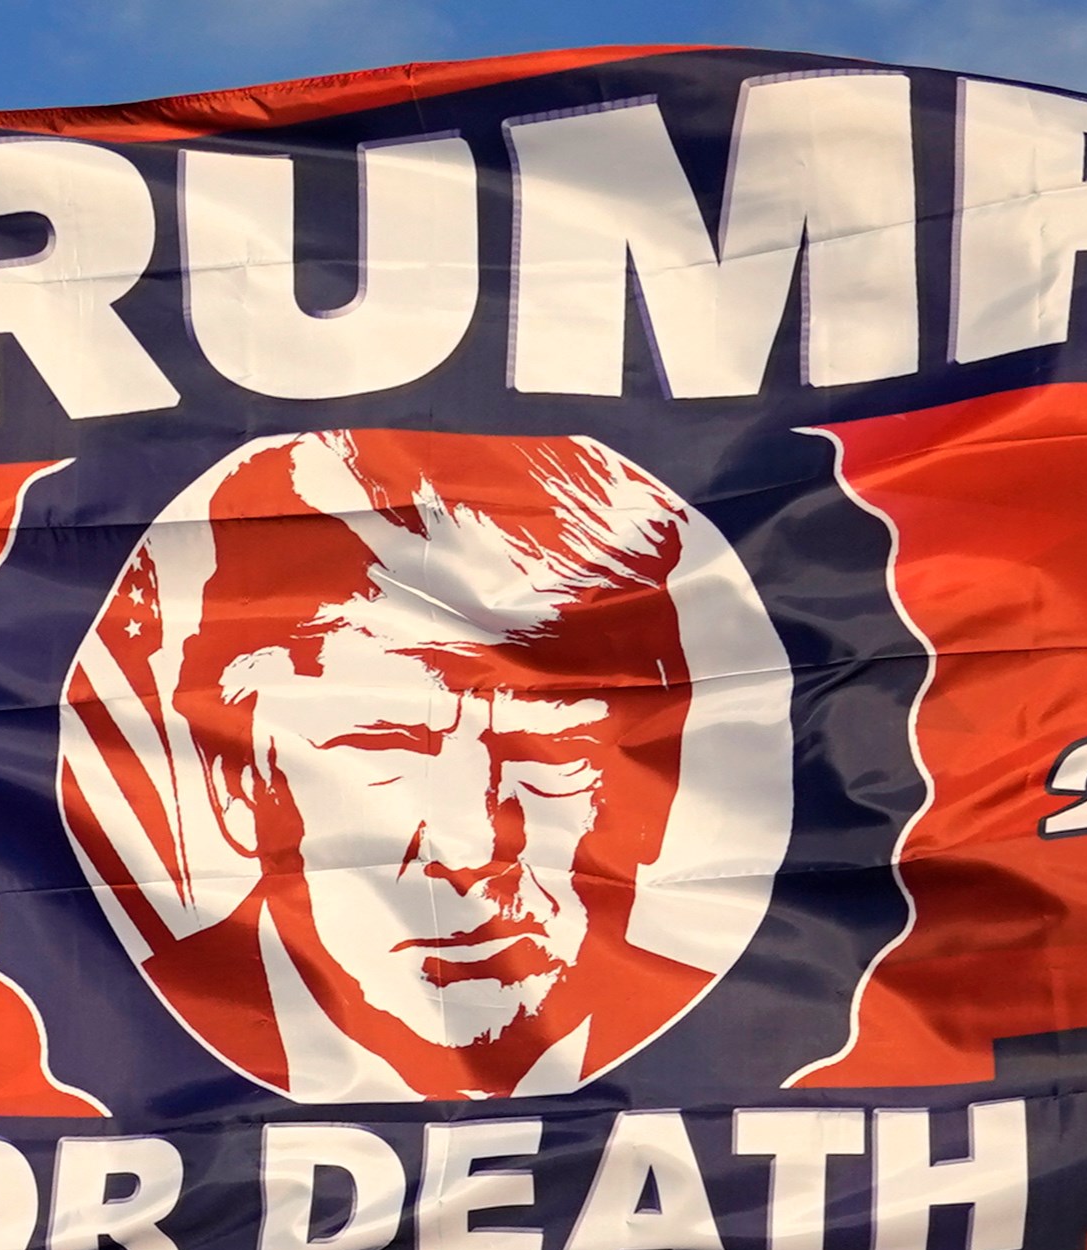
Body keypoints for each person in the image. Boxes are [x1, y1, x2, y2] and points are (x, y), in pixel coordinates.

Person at [55, 427, 787, 1105]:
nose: (467, 845)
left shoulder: (752, 1039)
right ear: (240, 787)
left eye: (550, 743)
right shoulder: (124, 1043)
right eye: (385, 744)